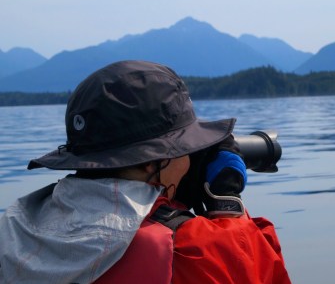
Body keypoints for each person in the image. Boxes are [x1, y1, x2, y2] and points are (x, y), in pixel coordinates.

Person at [0, 60, 292, 284]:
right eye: (187, 149)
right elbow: (259, 271)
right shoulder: (186, 247)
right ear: (155, 160)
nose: (190, 161)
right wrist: (225, 201)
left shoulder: (15, 229)